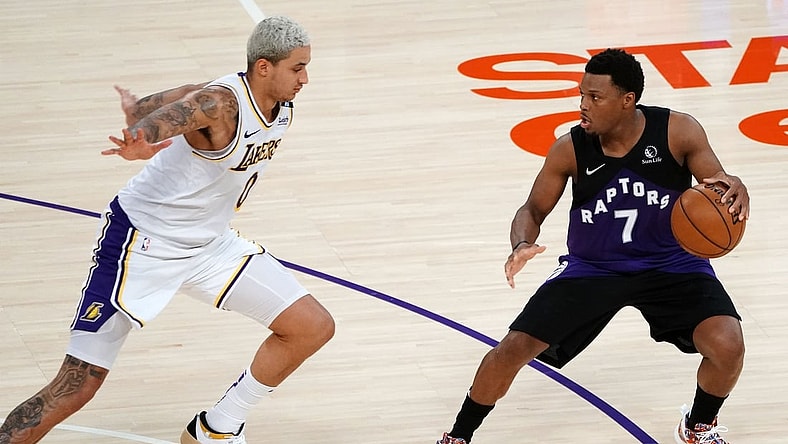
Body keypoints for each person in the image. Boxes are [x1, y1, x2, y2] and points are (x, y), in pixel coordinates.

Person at [0, 15, 334, 444]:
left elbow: (185, 92)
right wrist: (143, 136)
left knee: (312, 326)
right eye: (298, 68)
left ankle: (216, 428)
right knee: (77, 385)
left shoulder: (274, 102)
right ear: (264, 67)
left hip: (209, 244)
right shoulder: (220, 105)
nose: (305, 79)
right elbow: (186, 109)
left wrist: (140, 106)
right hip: (141, 242)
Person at [437, 48, 750, 444]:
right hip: (593, 268)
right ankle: (458, 436)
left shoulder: (678, 131)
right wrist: (522, 243)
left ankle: (698, 425)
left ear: (627, 100)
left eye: (595, 97)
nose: (583, 105)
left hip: (672, 264)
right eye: (582, 94)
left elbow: (717, 183)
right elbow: (532, 208)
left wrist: (734, 186)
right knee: (512, 349)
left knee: (728, 345)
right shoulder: (570, 148)